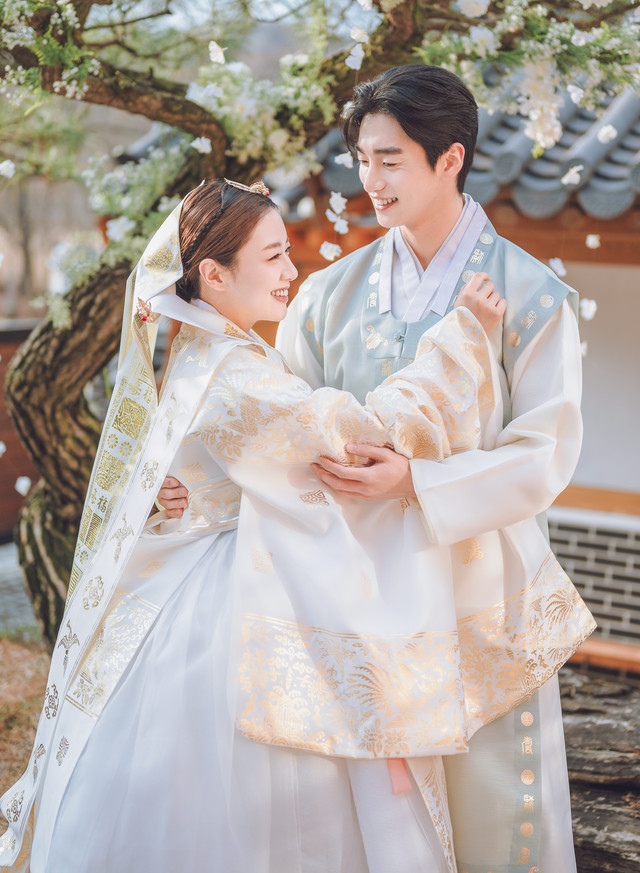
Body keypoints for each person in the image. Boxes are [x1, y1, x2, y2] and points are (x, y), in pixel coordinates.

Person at [0, 177, 593, 873]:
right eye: (273, 256)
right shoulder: (234, 372)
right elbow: (356, 439)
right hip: (231, 608)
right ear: (214, 274)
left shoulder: (209, 352)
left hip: (213, 582)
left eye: (288, 252)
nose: (292, 270)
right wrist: (462, 337)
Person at [163, 64, 588, 870]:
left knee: (503, 815)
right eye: (362, 158)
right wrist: (197, 487)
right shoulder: (327, 295)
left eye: (390, 159)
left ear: (450, 159)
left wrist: (417, 482)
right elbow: (281, 441)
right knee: (384, 832)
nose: (371, 179)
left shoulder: (530, 296)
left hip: (480, 598)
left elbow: (545, 454)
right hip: (356, 604)